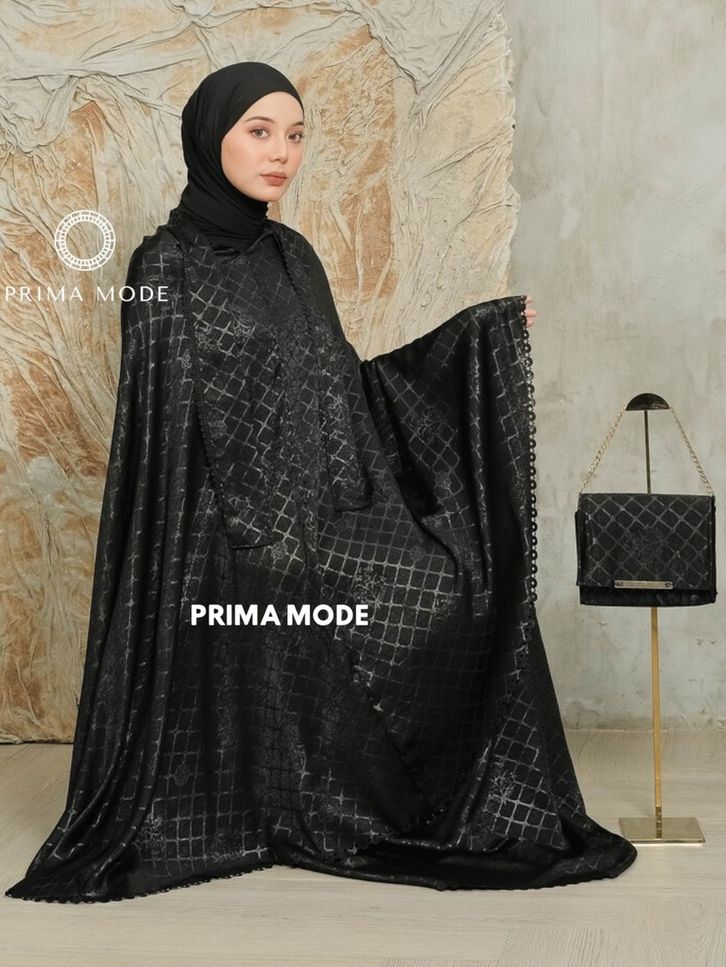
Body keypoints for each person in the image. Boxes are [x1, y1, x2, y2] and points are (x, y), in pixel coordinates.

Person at [5, 62, 636, 903]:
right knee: (345, 589)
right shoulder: (164, 267)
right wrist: (264, 531)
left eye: (296, 135)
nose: (282, 153)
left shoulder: (293, 255)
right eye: (259, 132)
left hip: (327, 506)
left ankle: (440, 800)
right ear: (211, 138)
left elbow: (347, 387)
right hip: (220, 534)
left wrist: (477, 337)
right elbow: (160, 442)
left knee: (461, 578)